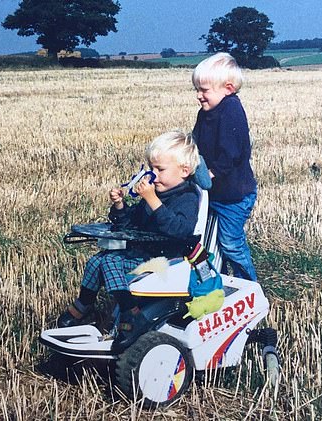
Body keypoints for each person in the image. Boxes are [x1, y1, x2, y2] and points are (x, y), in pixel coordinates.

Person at [57, 130, 202, 352]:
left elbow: (179, 230)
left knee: (111, 262)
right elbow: (130, 225)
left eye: (160, 170)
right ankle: (83, 305)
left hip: (168, 261)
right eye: (150, 168)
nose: (152, 174)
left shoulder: (187, 198)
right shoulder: (156, 194)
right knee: (98, 260)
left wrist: (152, 200)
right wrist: (120, 206)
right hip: (144, 254)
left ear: (185, 171)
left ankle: (132, 315)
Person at [191, 52, 258, 282]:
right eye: (197, 90)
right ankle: (216, 283)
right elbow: (195, 143)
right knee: (208, 243)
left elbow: (232, 152)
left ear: (228, 89)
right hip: (213, 193)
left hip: (234, 196)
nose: (199, 96)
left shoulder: (231, 110)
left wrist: (211, 172)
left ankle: (248, 287)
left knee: (230, 244)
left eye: (204, 90)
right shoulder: (205, 113)